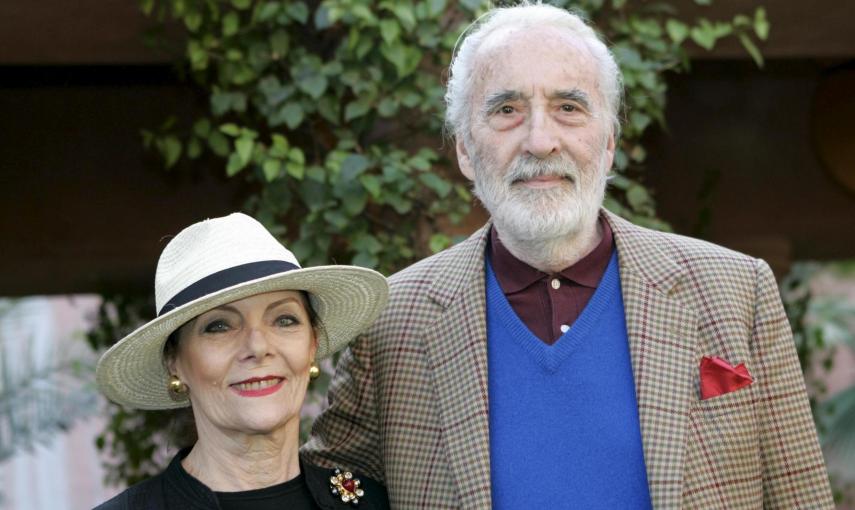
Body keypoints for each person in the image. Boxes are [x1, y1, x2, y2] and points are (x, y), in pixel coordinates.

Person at [302, 3, 834, 509]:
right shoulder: (394, 318)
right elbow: (331, 486)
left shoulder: (736, 290)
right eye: (507, 110)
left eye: (569, 108)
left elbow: (797, 491)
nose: (540, 140)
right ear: (465, 149)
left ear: (608, 143)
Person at [94, 212, 390, 509]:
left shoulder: (371, 503)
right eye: (220, 326)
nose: (258, 347)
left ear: (312, 344)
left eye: (284, 320)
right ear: (175, 362)